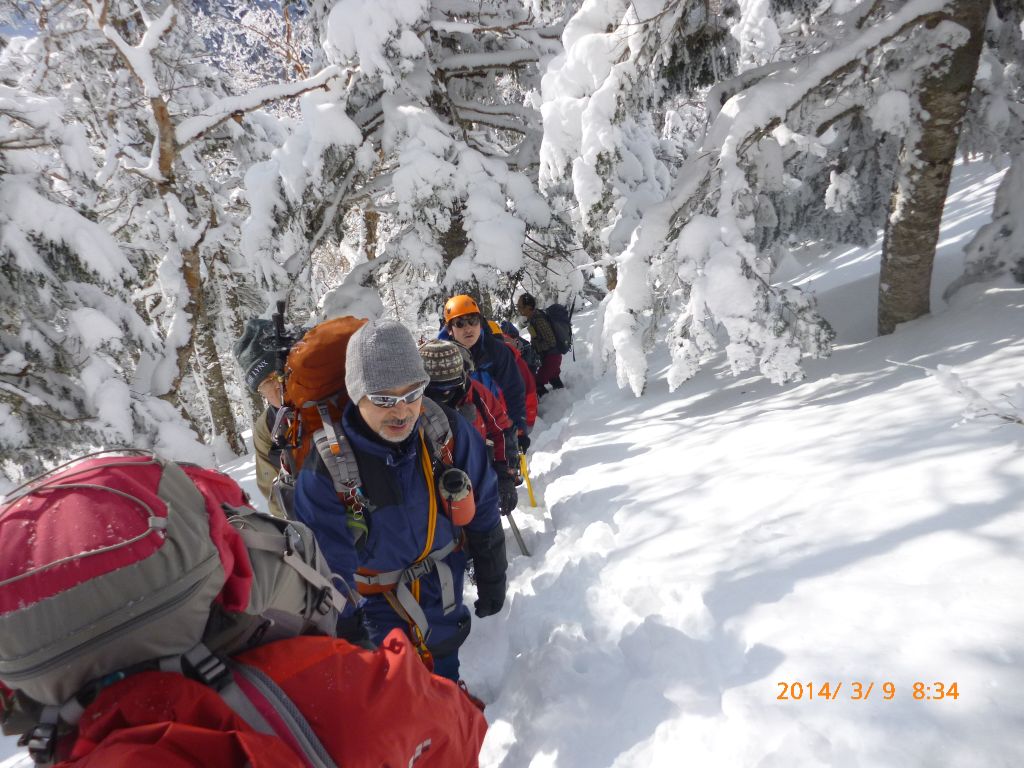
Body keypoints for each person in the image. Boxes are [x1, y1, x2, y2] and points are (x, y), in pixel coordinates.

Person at [293, 320, 508, 684]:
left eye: (413, 393)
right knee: (397, 698)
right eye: (383, 399)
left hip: (443, 588)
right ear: (356, 393)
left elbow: (483, 499)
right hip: (374, 610)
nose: (402, 411)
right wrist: (348, 637)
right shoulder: (329, 467)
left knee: (444, 672)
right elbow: (328, 569)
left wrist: (492, 571)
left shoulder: (444, 430)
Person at [420, 339, 520, 516]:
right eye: (436, 388)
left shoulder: (475, 393)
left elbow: (502, 430)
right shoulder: (412, 403)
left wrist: (506, 475)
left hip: (478, 476)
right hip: (431, 484)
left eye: (451, 386)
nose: (445, 393)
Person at [441, 295, 529, 452]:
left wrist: (519, 428)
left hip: (499, 428)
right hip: (463, 436)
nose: (468, 328)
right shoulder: (442, 360)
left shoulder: (497, 352)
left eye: (473, 320)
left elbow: (513, 390)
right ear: (450, 329)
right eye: (459, 323)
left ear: (480, 322)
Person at [233, 317, 295, 518]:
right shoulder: (267, 428)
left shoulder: (334, 397)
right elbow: (275, 497)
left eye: (280, 372)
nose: (278, 384)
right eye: (266, 382)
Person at [488, 320, 538, 432]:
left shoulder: (514, 361)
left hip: (514, 424)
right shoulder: (513, 359)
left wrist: (526, 421)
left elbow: (529, 391)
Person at [516, 293, 564, 396]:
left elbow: (551, 341)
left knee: (537, 383)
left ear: (528, 307)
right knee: (554, 379)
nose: (518, 309)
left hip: (552, 357)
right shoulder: (533, 319)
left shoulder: (538, 319)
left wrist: (536, 348)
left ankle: (549, 406)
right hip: (550, 357)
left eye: (520, 306)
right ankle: (563, 400)